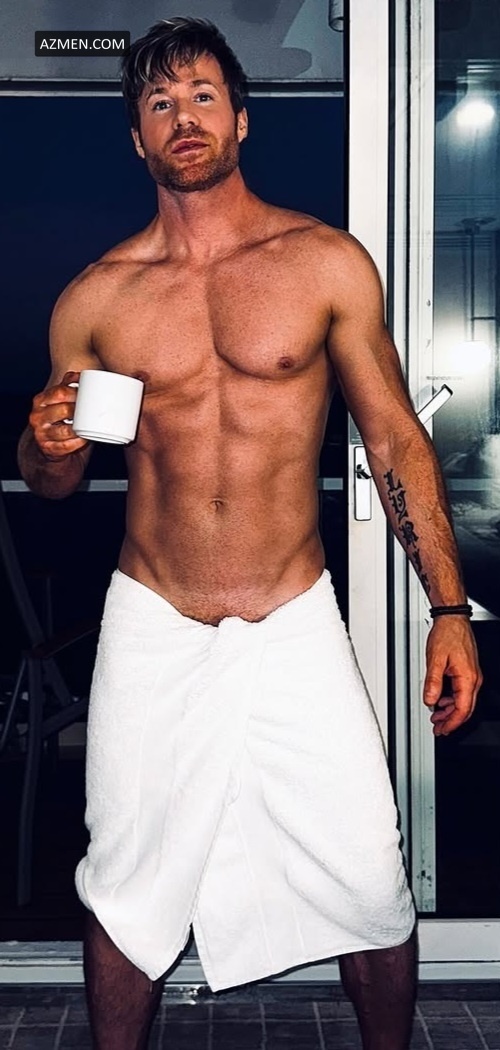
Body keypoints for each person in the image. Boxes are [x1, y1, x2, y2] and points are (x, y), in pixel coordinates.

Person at [17, 17, 482, 1050]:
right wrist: (41, 444)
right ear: (137, 138)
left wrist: (447, 609)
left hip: (291, 615)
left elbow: (394, 440)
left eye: (201, 96)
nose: (182, 117)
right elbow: (55, 482)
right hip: (154, 617)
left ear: (240, 119)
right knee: (124, 880)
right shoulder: (97, 298)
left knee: (367, 873)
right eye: (158, 103)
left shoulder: (323, 265)